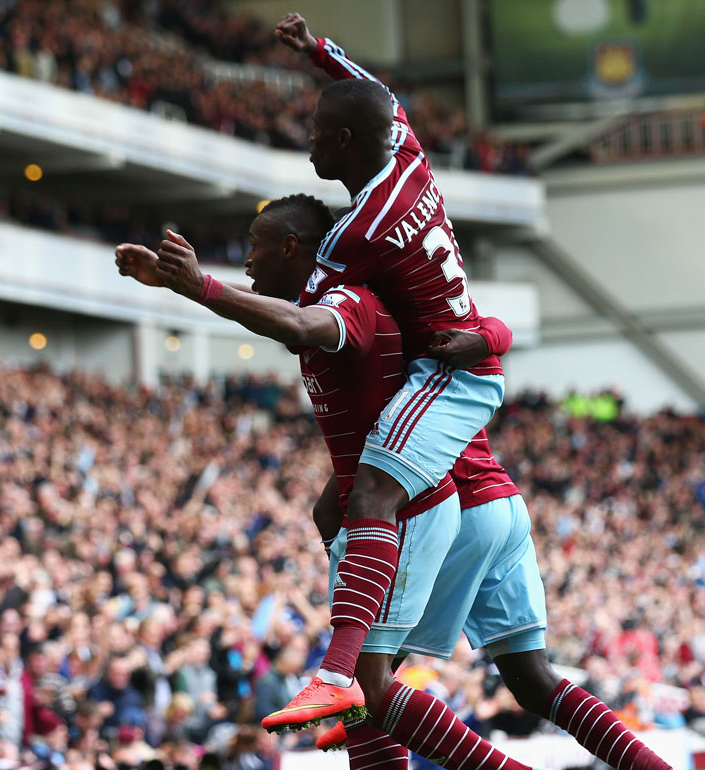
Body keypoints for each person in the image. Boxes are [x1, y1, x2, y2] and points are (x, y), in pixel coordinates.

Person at [120, 193, 669, 769]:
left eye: (255, 247)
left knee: (367, 686)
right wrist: (489, 338)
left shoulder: (349, 301)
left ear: (293, 248)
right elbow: (484, 326)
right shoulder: (385, 299)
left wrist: (202, 287)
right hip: (495, 498)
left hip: (438, 501)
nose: (247, 261)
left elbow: (304, 325)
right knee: (530, 682)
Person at [258, 12, 510, 726]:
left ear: (342, 142)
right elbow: (377, 93)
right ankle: (356, 680)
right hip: (464, 364)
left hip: (450, 379)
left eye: (314, 134)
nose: (306, 141)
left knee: (370, 489)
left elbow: (306, 317)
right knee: (335, 505)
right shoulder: (408, 155)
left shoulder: (353, 237)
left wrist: (201, 289)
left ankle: (340, 672)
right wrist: (319, 53)